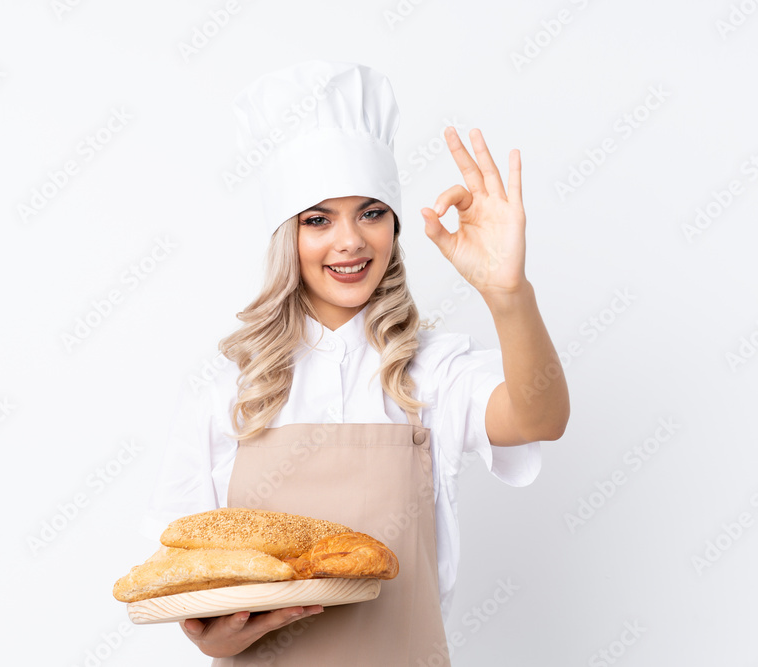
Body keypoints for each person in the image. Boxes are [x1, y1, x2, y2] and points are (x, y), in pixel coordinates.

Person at [138, 60, 570, 665]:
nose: (350, 241)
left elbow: (538, 417)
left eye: (371, 212)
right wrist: (211, 633)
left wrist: (508, 293)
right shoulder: (226, 389)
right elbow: (179, 566)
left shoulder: (431, 371)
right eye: (318, 219)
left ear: (394, 225)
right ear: (287, 236)